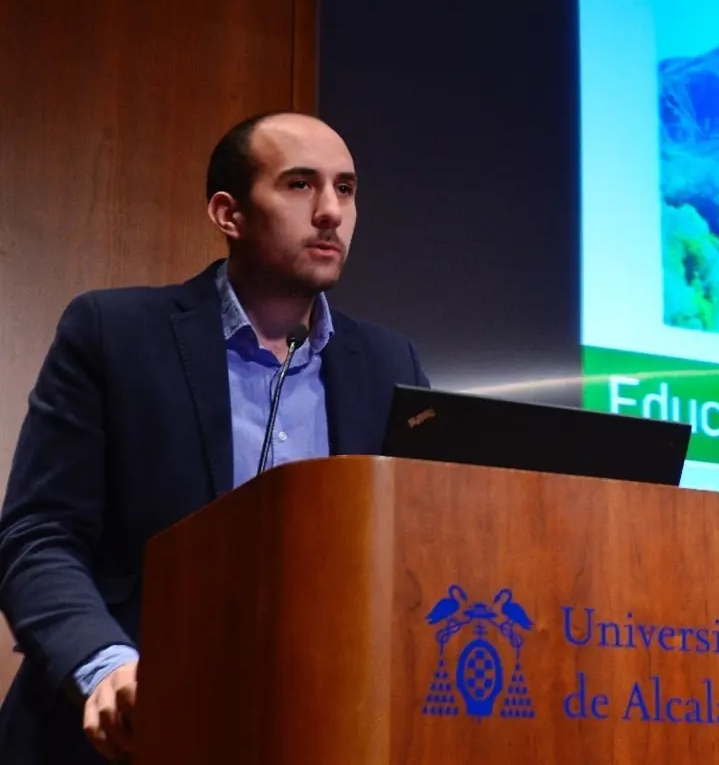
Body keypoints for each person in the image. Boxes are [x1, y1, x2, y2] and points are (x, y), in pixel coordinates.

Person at [0, 111, 430, 763]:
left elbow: (417, 563)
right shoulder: (114, 334)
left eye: (345, 189)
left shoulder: (390, 364)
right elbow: (39, 537)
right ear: (229, 213)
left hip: (321, 731)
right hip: (128, 734)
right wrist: (106, 666)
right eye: (299, 185)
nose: (330, 212)